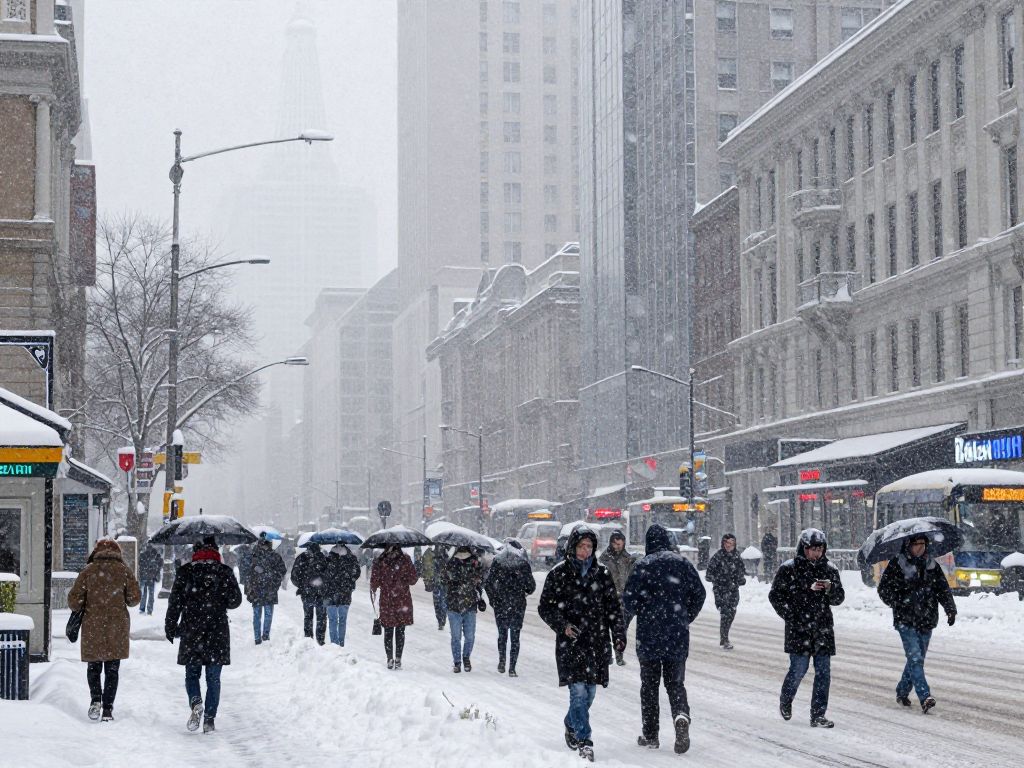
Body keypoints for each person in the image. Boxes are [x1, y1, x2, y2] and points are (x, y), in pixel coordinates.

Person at [538, 525, 626, 763]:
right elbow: (545, 607)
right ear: (572, 547)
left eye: (589, 546)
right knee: (577, 692)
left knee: (589, 694)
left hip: (597, 643)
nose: (585, 551)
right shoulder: (559, 574)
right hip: (572, 644)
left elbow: (613, 610)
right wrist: (563, 625)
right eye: (581, 546)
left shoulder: (602, 574)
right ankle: (585, 741)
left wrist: (618, 634)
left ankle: (570, 723)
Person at [622, 524, 705, 754]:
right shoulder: (682, 564)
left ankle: (650, 734)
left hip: (649, 635)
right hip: (677, 635)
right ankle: (681, 715)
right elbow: (699, 593)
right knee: (675, 683)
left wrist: (644, 610)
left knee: (649, 686)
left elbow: (628, 601)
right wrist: (685, 617)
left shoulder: (642, 566)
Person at [769, 528, 845, 729]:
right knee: (798, 669)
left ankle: (818, 714)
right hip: (798, 629)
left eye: (819, 549)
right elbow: (776, 596)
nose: (816, 553)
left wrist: (830, 589)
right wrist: (792, 612)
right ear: (803, 549)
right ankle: (786, 699)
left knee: (823, 673)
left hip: (822, 628)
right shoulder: (789, 569)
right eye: (812, 549)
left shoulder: (829, 569)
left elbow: (839, 598)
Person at [165, 536, 242, 734]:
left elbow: (175, 602)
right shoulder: (224, 572)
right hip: (217, 630)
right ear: (216, 551)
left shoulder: (186, 572)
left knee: (192, 673)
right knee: (213, 678)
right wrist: (220, 595)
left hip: (192, 630)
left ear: (195, 550)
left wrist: (171, 625)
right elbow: (235, 601)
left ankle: (196, 702)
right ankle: (209, 720)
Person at [877, 535, 957, 713]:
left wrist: (950, 609)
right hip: (905, 619)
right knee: (915, 658)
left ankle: (902, 691)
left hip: (927, 619)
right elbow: (883, 589)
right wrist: (899, 600)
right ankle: (924, 696)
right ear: (908, 545)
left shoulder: (931, 565)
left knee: (916, 659)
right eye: (916, 544)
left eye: (923, 544)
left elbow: (943, 589)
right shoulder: (897, 564)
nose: (920, 548)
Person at [67, 539, 141, 722]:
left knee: (94, 667)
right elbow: (134, 599)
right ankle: (108, 709)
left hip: (93, 625)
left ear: (96, 552)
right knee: (112, 669)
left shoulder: (88, 571)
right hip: (117, 626)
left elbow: (74, 602)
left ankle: (95, 701)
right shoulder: (124, 571)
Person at [484, 539, 536, 676]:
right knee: (515, 636)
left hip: (501, 604)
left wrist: (493, 599)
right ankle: (512, 667)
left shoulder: (498, 562)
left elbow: (488, 583)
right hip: (518, 604)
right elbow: (531, 587)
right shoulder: (523, 564)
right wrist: (523, 590)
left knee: (502, 634)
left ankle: (502, 661)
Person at [370, 544, 418, 669]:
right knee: (400, 631)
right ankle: (398, 659)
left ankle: (389, 658)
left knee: (388, 630)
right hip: (403, 600)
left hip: (387, 601)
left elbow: (374, 583)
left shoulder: (380, 560)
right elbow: (413, 580)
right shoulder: (405, 559)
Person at [440, 545, 484, 673]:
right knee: (459, 636)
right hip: (456, 605)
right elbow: (443, 579)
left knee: (465, 636)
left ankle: (464, 658)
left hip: (467, 604)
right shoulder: (451, 562)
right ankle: (458, 661)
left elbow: (480, 581)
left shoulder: (474, 562)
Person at [598, 530, 636, 666]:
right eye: (616, 544)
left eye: (620, 544)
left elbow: (632, 577)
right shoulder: (604, 559)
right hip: (607, 598)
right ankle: (607, 655)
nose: (618, 547)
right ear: (611, 543)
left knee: (621, 629)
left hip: (624, 598)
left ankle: (619, 654)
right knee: (605, 628)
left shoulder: (628, 558)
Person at [705, 533, 747, 650]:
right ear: (723, 544)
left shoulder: (737, 557)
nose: (729, 546)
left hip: (733, 590)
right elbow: (709, 574)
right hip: (721, 590)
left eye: (732, 543)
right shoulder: (718, 557)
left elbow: (741, 571)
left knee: (732, 612)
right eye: (727, 543)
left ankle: (725, 635)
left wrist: (740, 579)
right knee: (725, 613)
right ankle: (724, 638)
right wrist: (718, 580)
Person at [245, 533, 287, 645]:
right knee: (267, 614)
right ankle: (265, 635)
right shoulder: (274, 556)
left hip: (256, 588)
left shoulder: (253, 555)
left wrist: (256, 572)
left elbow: (246, 572)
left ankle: (257, 637)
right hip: (269, 588)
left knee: (257, 614)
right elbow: (282, 571)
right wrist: (273, 578)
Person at [291, 541, 329, 644]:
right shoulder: (324, 558)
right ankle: (320, 641)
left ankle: (308, 639)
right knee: (321, 618)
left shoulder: (302, 557)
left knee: (308, 617)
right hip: (321, 593)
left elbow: (294, 576)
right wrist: (323, 584)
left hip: (307, 593)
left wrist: (302, 586)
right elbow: (330, 576)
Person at [323, 542, 361, 646]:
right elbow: (356, 573)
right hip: (345, 593)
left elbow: (323, 575)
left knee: (333, 620)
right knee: (342, 620)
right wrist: (349, 581)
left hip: (330, 593)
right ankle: (340, 643)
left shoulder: (328, 558)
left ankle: (334, 644)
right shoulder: (351, 558)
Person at [420, 544, 449, 630]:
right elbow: (425, 567)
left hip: (443, 582)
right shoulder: (429, 553)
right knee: (439, 602)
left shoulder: (446, 551)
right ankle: (441, 620)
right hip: (437, 582)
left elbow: (425, 567)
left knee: (441, 602)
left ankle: (441, 620)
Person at [138, 542, 163, 615]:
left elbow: (140, 565)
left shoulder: (143, 555)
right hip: (152, 577)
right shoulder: (155, 555)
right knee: (151, 594)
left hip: (144, 577)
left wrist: (142, 573)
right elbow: (160, 564)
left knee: (144, 594)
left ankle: (142, 609)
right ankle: (149, 610)